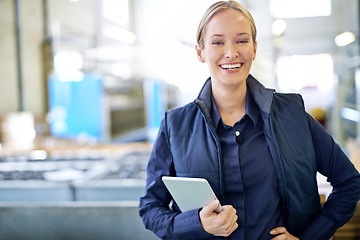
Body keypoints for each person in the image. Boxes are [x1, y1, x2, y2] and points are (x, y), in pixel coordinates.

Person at [139, 1, 360, 239]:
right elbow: (150, 209)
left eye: (242, 40)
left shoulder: (292, 114)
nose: (231, 52)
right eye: (217, 42)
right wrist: (197, 223)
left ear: (254, 48)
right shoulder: (176, 126)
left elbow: (349, 183)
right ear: (200, 52)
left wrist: (309, 237)